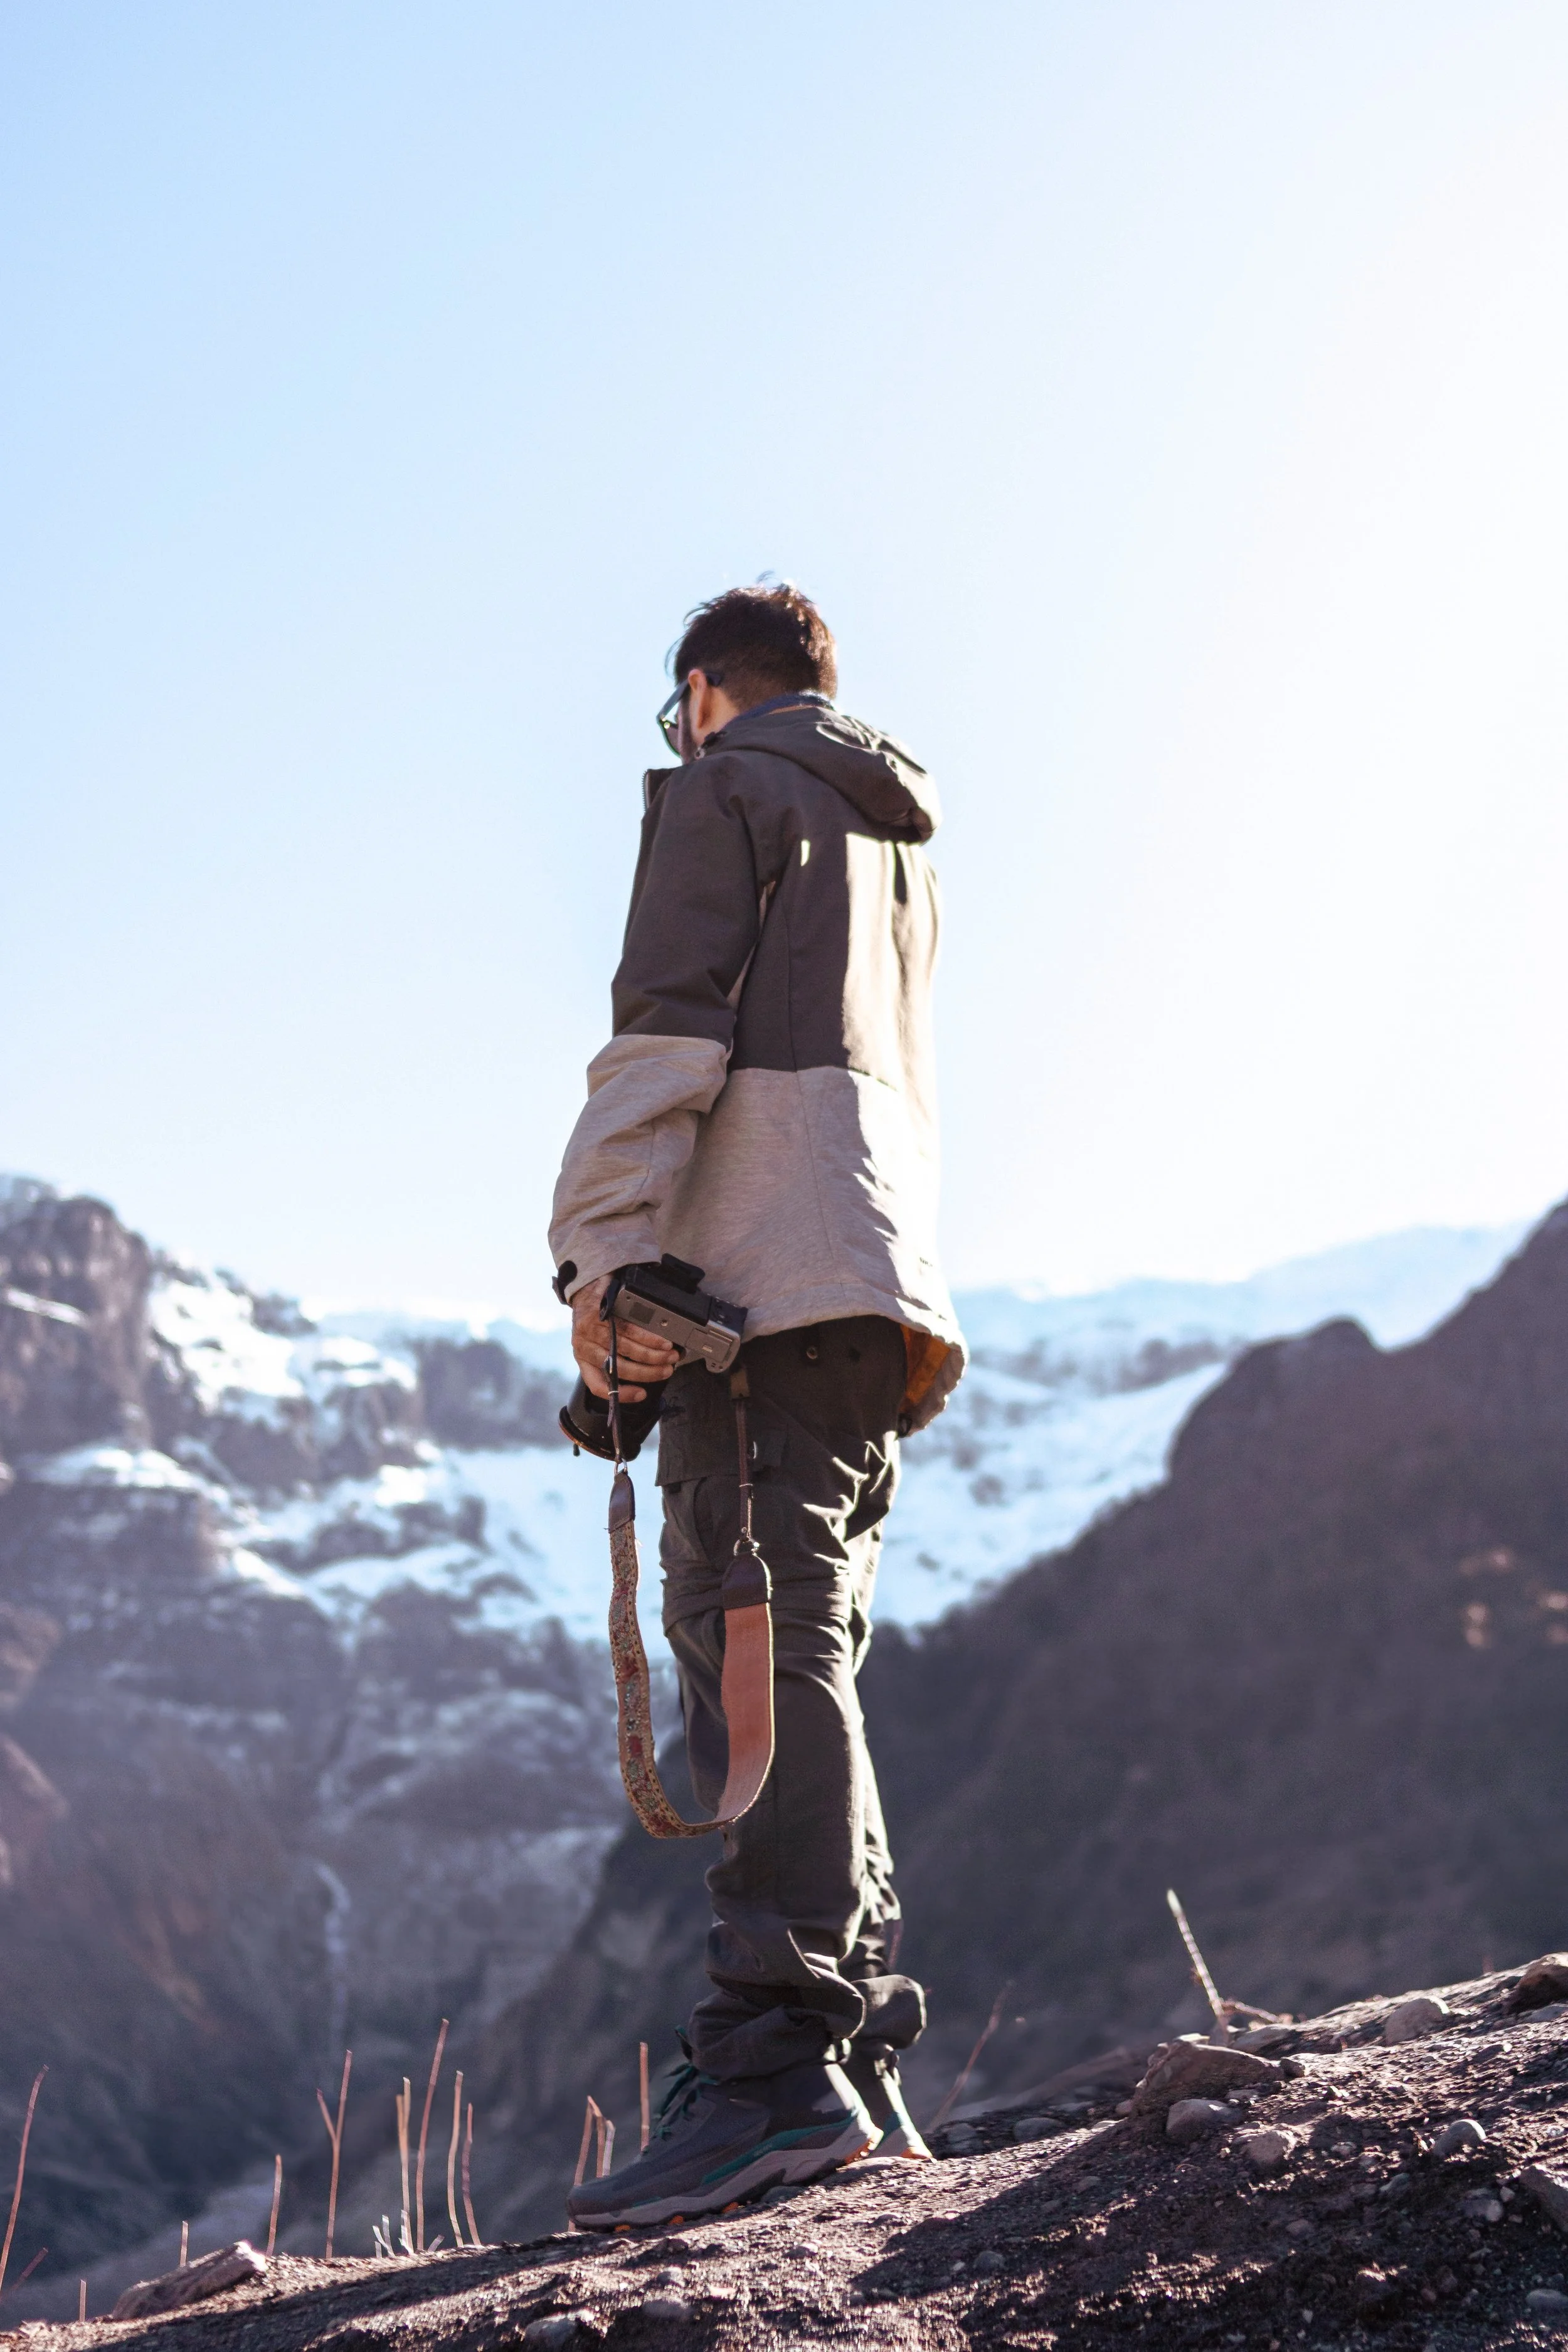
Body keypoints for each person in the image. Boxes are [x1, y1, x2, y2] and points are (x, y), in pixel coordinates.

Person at [548, 583, 965, 2228]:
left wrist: (602, 1258)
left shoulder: (725, 789)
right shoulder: (897, 840)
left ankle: (772, 2068)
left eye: (676, 714)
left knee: (752, 1642)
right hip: (875, 1287)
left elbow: (660, 1041)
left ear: (708, 692)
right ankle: (841, 2047)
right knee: (809, 1646)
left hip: (749, 1293)